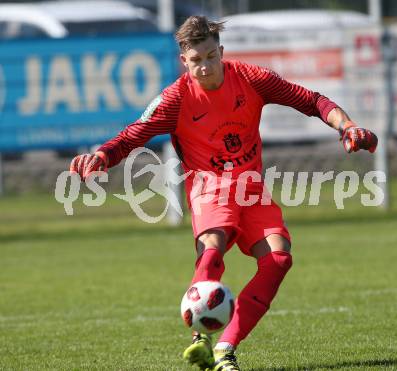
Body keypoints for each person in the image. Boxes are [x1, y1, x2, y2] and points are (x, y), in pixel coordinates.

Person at [70, 16, 378, 371]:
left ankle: (225, 348)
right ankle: (200, 337)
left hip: (251, 189)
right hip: (209, 188)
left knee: (279, 259)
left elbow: (311, 100)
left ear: (221, 52)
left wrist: (348, 126)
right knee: (212, 247)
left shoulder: (252, 78)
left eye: (210, 56)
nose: (205, 66)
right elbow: (133, 135)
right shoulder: (175, 99)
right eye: (196, 60)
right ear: (184, 61)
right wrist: (102, 155)